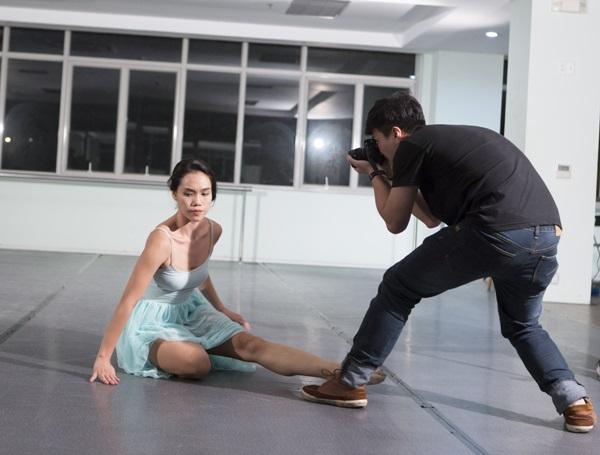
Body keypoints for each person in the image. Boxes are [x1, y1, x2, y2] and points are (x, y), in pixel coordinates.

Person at [300, 93, 597, 433]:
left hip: (494, 231)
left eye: (378, 141)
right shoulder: (447, 143)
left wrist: (374, 174)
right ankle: (575, 402)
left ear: (396, 133)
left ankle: (350, 381)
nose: (378, 148)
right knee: (523, 324)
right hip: (545, 237)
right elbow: (430, 218)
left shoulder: (412, 147)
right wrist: (386, 171)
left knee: (398, 286)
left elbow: (395, 222)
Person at [89, 159, 385, 386]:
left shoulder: (213, 230)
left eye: (205, 194)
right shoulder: (161, 240)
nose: (197, 202)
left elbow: (199, 274)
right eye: (188, 193)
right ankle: (193, 349)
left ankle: (341, 371)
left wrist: (222, 309)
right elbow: (128, 300)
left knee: (250, 344)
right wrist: (103, 357)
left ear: (212, 196)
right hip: (152, 321)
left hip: (190, 311)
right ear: (174, 194)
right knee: (197, 363)